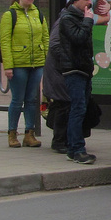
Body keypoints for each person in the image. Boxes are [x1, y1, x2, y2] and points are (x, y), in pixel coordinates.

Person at [0, 0, 49, 148]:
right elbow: (5, 42)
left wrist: (47, 60)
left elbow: (45, 38)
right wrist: (8, 65)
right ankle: (12, 133)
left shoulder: (38, 14)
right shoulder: (10, 15)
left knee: (32, 99)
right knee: (17, 99)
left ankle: (30, 133)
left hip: (36, 64)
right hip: (18, 64)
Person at [54, 0, 97, 164]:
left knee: (81, 108)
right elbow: (78, 38)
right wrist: (88, 20)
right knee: (77, 109)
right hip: (74, 69)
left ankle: (73, 148)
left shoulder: (78, 17)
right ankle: (77, 148)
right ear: (76, 0)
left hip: (84, 69)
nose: (90, 2)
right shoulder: (67, 18)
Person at [41, 14, 70, 153]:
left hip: (61, 70)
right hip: (59, 70)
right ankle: (59, 141)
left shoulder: (70, 19)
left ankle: (63, 139)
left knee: (63, 104)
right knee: (62, 103)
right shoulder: (63, 21)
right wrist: (69, 60)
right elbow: (54, 44)